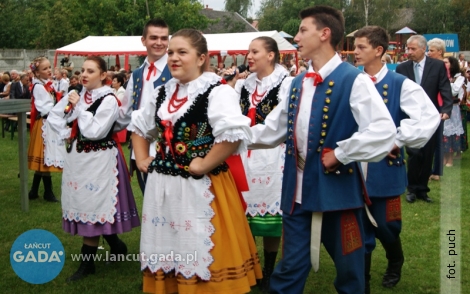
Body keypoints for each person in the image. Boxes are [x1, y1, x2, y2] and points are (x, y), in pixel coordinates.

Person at [249, 6, 396, 293]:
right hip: (297, 194)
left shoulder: (354, 79)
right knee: (289, 268)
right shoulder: (297, 83)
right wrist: (229, 137)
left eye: (303, 30)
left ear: (324, 34)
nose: (296, 36)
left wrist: (341, 153)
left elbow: (383, 130)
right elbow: (272, 130)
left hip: (338, 194)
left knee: (350, 270)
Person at [129, 28, 262, 293]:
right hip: (163, 186)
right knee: (168, 239)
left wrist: (203, 164)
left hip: (203, 185)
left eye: (182, 52)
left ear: (201, 58)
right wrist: (142, 158)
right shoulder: (162, 93)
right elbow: (140, 127)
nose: (173, 58)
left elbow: (232, 135)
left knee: (200, 239)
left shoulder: (217, 91)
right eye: (170, 53)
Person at [353, 26, 440, 293]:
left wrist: (397, 140)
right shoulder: (350, 81)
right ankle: (363, 282)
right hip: (354, 166)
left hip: (385, 168)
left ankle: (395, 258)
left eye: (360, 47)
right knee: (360, 229)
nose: (354, 53)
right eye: (354, 47)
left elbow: (429, 116)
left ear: (378, 51)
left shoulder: (399, 83)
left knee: (387, 226)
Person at [48, 56, 140, 282]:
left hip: (100, 159)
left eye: (91, 71)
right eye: (83, 70)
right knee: (87, 205)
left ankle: (87, 264)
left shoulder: (108, 99)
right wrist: (69, 117)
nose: (84, 75)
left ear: (103, 76)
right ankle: (117, 246)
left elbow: (96, 131)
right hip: (79, 159)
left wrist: (78, 107)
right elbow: (56, 117)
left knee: (95, 206)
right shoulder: (78, 94)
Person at [233, 36, 293, 292]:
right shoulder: (243, 84)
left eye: (254, 52)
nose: (249, 56)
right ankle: (252, 266)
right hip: (244, 156)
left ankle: (269, 268)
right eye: (249, 51)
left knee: (270, 218)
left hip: (272, 156)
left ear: (271, 55)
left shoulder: (286, 82)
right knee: (243, 214)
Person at [396, 35, 453, 203]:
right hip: (411, 116)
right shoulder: (402, 68)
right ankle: (411, 188)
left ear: (423, 49)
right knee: (414, 152)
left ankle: (423, 189)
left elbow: (445, 88)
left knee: (428, 153)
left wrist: (446, 109)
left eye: (413, 49)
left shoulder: (437, 66)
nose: (409, 52)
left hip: (431, 116)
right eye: (408, 48)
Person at [123, 18, 172, 195]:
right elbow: (125, 112)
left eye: (164, 38)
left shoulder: (176, 69)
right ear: (143, 40)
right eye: (153, 37)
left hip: (170, 148)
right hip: (141, 148)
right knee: (150, 202)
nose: (159, 43)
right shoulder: (137, 74)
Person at [27, 57, 65, 202]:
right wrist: (60, 111)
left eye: (49, 67)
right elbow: (45, 107)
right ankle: (46, 192)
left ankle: (35, 191)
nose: (49, 70)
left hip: (49, 121)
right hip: (45, 122)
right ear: (36, 73)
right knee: (45, 156)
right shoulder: (38, 87)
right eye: (45, 69)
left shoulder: (47, 84)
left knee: (44, 158)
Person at [427, 38, 447, 181]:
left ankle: (436, 171)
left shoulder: (441, 65)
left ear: (440, 52)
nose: (429, 53)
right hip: (435, 104)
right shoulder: (436, 64)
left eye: (431, 50)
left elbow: (443, 87)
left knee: (438, 139)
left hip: (438, 104)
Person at [442, 56, 465, 167]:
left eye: (446, 62)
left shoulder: (459, 77)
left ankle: (450, 158)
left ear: (452, 64)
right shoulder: (440, 74)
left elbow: (454, 91)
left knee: (450, 133)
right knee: (442, 133)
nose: (444, 64)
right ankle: (443, 158)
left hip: (453, 108)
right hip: (442, 106)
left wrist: (445, 80)